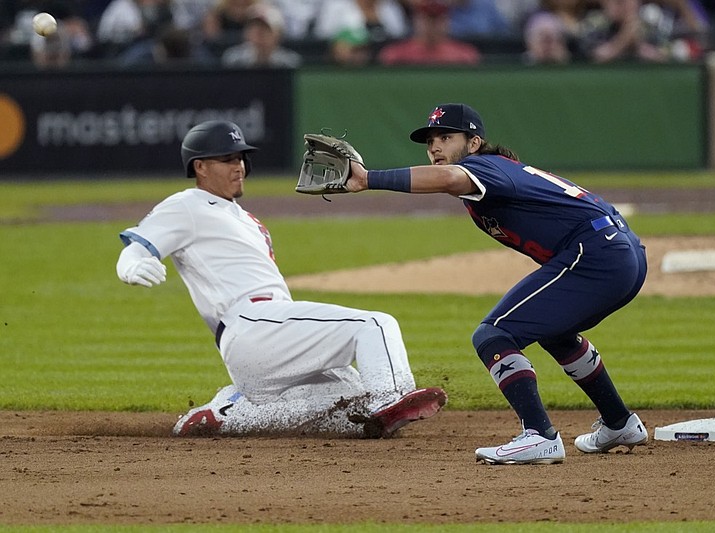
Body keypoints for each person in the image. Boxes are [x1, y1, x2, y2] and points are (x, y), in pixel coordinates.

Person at [341, 103, 649, 464]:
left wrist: (367, 179)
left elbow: (449, 179)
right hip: (619, 252)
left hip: (596, 253)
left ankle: (539, 435)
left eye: (446, 137)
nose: (435, 147)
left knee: (494, 334)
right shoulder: (497, 170)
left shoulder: (480, 167)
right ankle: (619, 422)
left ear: (474, 143)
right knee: (554, 332)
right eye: (430, 141)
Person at [115, 120, 447, 438]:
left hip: (272, 336)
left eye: (241, 157)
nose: (239, 166)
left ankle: (227, 415)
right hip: (251, 324)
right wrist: (131, 265)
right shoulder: (187, 204)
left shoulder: (247, 219)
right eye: (227, 158)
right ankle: (391, 399)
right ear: (200, 167)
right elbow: (139, 245)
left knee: (352, 395)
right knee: (374, 325)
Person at [377, 0, 480, 65]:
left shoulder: (464, 55)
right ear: (416, 19)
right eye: (427, 18)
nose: (432, 25)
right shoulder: (396, 54)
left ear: (446, 21)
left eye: (437, 19)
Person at [220, 2, 302, 68]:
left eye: (265, 29)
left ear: (278, 34)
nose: (258, 34)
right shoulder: (234, 60)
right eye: (254, 28)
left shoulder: (289, 63)